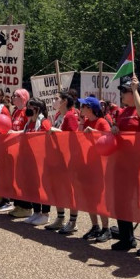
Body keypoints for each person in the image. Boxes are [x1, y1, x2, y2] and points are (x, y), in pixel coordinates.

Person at [110, 76, 140, 252]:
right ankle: (126, 238)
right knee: (123, 201)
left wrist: (135, 90)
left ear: (137, 93)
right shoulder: (121, 112)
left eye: (125, 91)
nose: (121, 93)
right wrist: (115, 130)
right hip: (123, 164)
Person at [77, 96, 112, 242]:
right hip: (88, 162)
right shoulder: (86, 122)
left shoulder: (101, 122)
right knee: (89, 196)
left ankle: (106, 228)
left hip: (100, 165)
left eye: (83, 106)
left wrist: (96, 133)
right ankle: (95, 226)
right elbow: (78, 139)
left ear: (90, 108)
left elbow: (109, 139)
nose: (81, 109)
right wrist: (81, 124)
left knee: (100, 197)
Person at [15, 97, 52, 225]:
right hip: (30, 160)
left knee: (43, 187)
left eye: (30, 107)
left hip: (41, 160)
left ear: (36, 109)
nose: (27, 110)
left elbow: (47, 135)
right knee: (33, 187)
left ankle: (45, 214)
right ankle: (36, 212)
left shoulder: (44, 121)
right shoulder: (29, 123)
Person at [47, 91, 80, 233]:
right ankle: (60, 217)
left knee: (70, 190)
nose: (54, 101)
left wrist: (57, 132)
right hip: (57, 157)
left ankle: (73, 221)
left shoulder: (70, 116)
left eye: (56, 99)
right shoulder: (57, 115)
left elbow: (73, 137)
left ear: (64, 101)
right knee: (57, 188)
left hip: (68, 158)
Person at [0, 88, 29, 214]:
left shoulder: (26, 112)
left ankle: (26, 207)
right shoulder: (15, 112)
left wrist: (14, 133)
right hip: (14, 150)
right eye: (13, 96)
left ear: (23, 98)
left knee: (23, 179)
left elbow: (27, 130)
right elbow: (8, 128)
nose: (13, 98)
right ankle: (18, 205)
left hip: (23, 150)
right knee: (16, 178)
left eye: (16, 96)